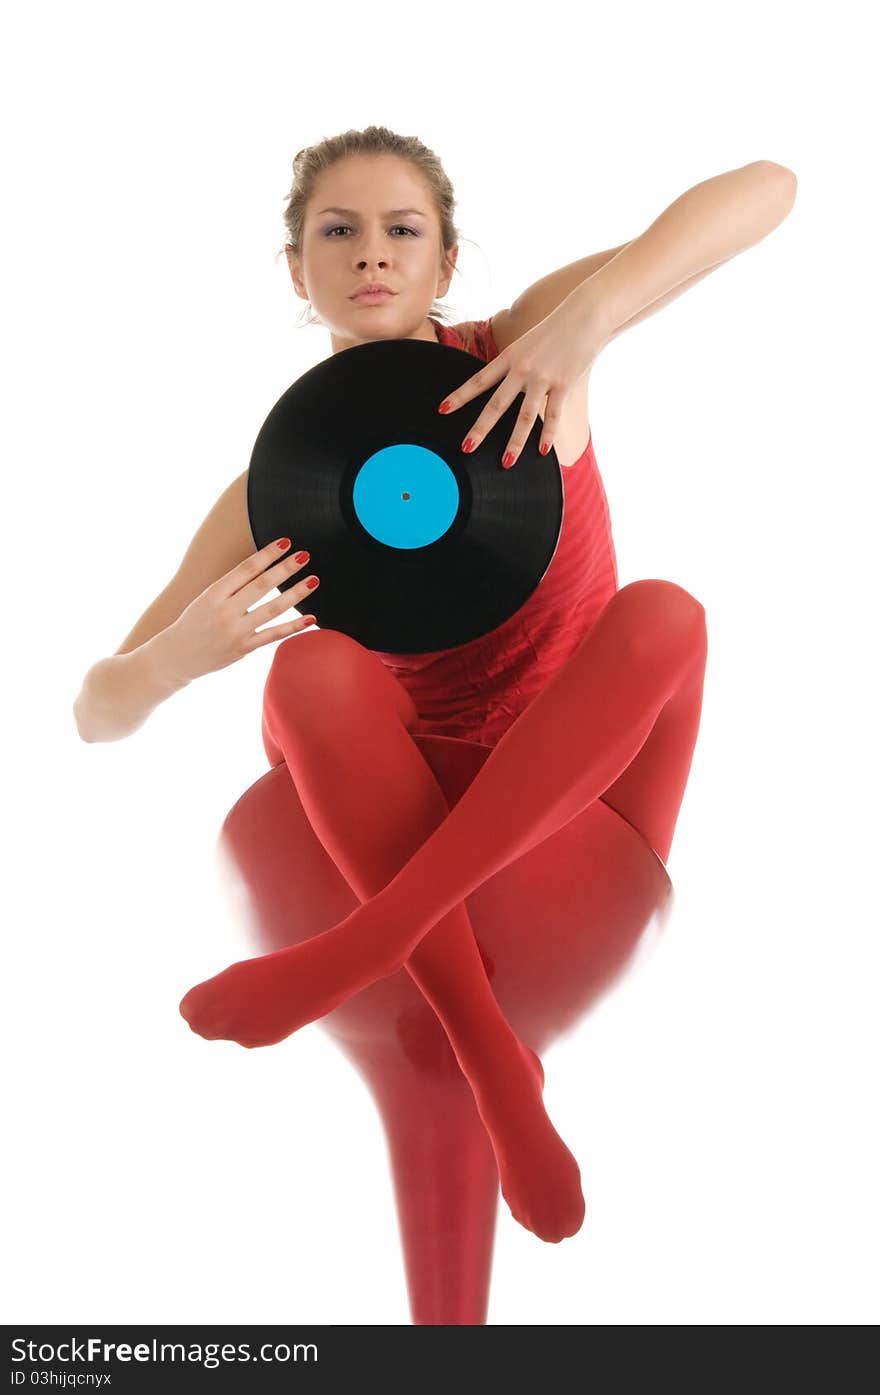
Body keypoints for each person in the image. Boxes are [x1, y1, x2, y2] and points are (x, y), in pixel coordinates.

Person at [74, 125, 796, 1244]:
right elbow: (96, 714)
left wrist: (585, 327)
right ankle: (488, 1055)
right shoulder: (272, 491)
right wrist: (171, 661)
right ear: (296, 268)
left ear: (444, 263)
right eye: (339, 231)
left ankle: (363, 951)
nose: (372, 254)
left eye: (402, 230)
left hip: (584, 798)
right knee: (310, 665)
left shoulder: (526, 349)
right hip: (395, 807)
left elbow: (770, 187)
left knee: (667, 612)